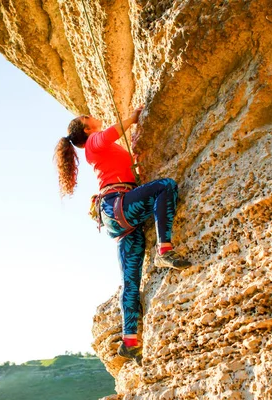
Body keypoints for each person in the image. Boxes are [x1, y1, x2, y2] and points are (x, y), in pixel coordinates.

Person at [53, 106, 191, 364]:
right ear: (86, 128)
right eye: (88, 117)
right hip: (118, 204)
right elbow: (109, 134)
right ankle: (164, 250)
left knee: (130, 280)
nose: (93, 116)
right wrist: (133, 118)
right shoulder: (94, 141)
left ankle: (130, 342)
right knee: (166, 187)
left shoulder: (98, 152)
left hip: (117, 215)